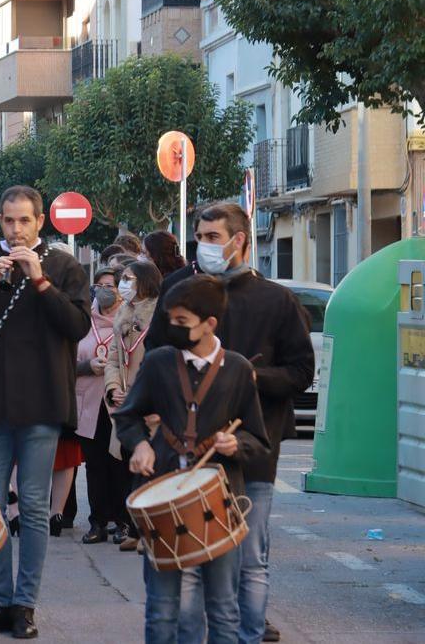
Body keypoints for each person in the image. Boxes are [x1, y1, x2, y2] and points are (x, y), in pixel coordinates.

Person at [144, 203, 313, 644]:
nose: (204, 245)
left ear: (239, 241)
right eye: (199, 236)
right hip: (185, 455)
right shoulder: (176, 290)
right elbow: (155, 361)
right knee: (187, 565)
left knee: (250, 559)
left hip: (250, 451)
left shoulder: (277, 300)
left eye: (213, 237)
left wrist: (249, 375)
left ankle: (248, 634)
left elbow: (301, 373)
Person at [0, 185, 91, 639]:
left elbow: (77, 326)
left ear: (40, 221)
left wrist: (41, 280)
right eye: (8, 221)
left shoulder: (64, 265)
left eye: (24, 220)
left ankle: (25, 605)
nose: (16, 229)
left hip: (42, 406)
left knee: (31, 506)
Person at [114, 273, 270, 644]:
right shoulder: (158, 363)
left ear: (209, 324)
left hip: (220, 497)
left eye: (181, 322)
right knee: (162, 608)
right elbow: (128, 415)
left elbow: (258, 438)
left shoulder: (237, 369)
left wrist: (238, 446)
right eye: (170, 319)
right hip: (163, 492)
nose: (172, 328)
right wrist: (139, 445)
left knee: (222, 607)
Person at [101, 260, 163, 550]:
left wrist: (140, 393)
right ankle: (136, 529)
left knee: (151, 467)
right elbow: (114, 358)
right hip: (124, 402)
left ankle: (151, 530)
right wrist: (113, 388)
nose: (123, 284)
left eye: (128, 279)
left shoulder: (159, 314)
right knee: (128, 465)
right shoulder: (122, 314)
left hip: (150, 402)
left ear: (145, 282)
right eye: (122, 278)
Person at [72, 267, 122, 544]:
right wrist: (86, 366)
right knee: (95, 467)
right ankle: (97, 522)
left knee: (119, 465)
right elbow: (67, 361)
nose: (106, 290)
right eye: (101, 285)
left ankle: (121, 520)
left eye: (112, 285)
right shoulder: (83, 322)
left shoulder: (129, 322)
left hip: (117, 403)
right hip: (89, 403)